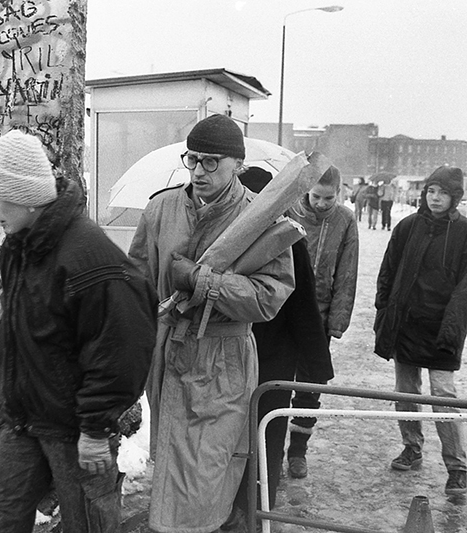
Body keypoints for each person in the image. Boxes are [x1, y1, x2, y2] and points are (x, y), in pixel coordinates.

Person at [0, 129, 157, 533]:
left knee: (87, 526)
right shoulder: (17, 245)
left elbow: (121, 350)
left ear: (23, 195)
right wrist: (6, 405)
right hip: (20, 422)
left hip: (75, 432)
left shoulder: (89, 258)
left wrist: (94, 429)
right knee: (4, 524)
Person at [128, 114, 295, 533]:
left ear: (237, 164)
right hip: (169, 354)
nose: (199, 171)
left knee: (205, 474)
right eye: (193, 160)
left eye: (211, 162)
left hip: (224, 361)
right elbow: (136, 280)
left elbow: (268, 297)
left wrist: (203, 282)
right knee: (170, 465)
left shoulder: (262, 218)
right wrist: (149, 309)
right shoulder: (160, 209)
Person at [228, 169, 333, 523]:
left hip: (272, 357)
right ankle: (234, 509)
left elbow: (304, 307)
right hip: (234, 353)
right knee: (237, 434)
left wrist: (317, 366)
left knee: (266, 433)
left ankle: (258, 512)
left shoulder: (288, 240)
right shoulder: (225, 240)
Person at [374, 165, 467, 496]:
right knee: (406, 391)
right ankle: (411, 448)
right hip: (407, 326)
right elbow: (388, 270)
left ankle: (457, 467)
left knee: (443, 397)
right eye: (431, 191)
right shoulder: (407, 227)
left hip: (444, 328)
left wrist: (453, 329)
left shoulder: (464, 232)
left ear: (454, 197)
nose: (435, 198)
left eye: (442, 192)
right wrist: (384, 308)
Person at [286, 165, 359, 479]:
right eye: (316, 196)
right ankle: (269, 447)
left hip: (319, 317)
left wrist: (337, 321)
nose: (321, 203)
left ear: (339, 193)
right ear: (307, 190)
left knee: (309, 386)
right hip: (282, 313)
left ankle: (297, 452)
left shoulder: (345, 220)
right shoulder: (289, 211)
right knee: (274, 384)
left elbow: (347, 272)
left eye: (329, 198)